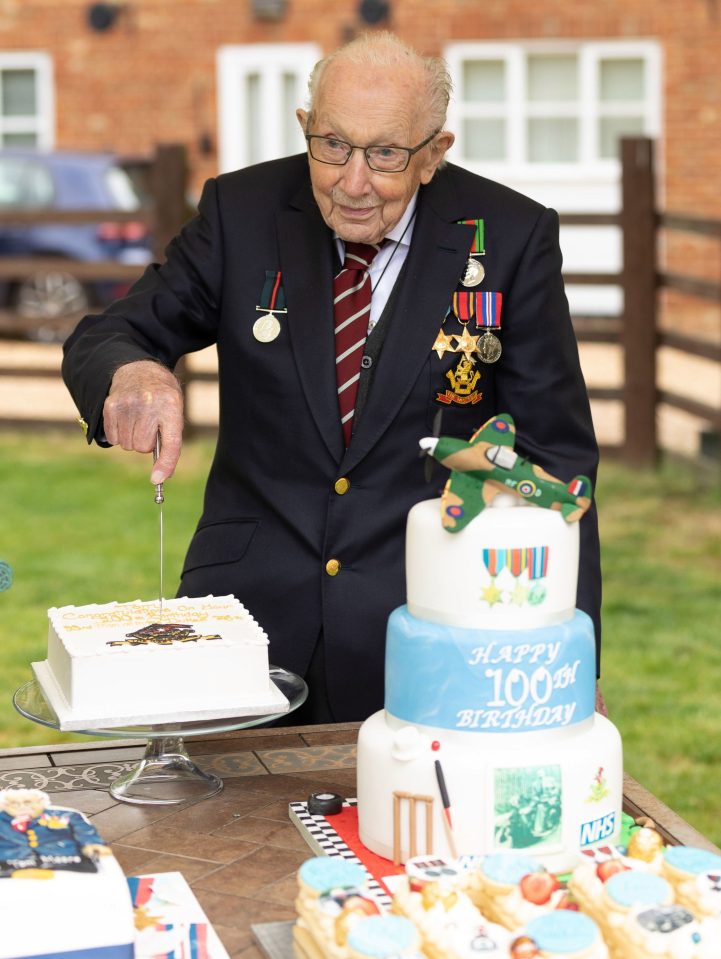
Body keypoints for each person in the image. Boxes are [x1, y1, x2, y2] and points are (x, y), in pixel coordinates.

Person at [62, 32, 601, 724]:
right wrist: (132, 370)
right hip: (246, 618)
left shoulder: (508, 236)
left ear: (434, 152)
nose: (352, 181)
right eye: (333, 144)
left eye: (384, 154)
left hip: (428, 622)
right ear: (304, 128)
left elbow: (555, 465)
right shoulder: (241, 212)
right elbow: (110, 333)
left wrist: (570, 655)